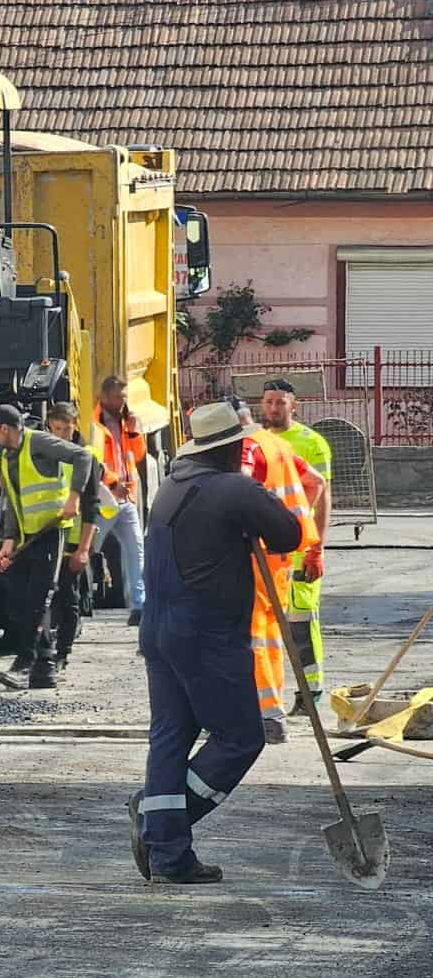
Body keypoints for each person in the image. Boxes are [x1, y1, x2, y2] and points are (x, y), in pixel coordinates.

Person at [131, 401, 302, 884]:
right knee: (240, 737)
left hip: (160, 632)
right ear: (235, 448)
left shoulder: (170, 486)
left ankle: (170, 856)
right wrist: (250, 504)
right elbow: (288, 534)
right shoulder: (234, 488)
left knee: (171, 735)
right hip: (205, 634)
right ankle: (159, 828)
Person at [228, 396, 324, 745]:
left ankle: (267, 715)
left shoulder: (248, 446)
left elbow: (238, 488)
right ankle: (271, 710)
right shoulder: (277, 444)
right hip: (280, 553)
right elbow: (315, 483)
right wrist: (291, 525)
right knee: (270, 631)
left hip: (256, 553)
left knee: (254, 634)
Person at [0, 403, 93, 691]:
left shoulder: (39, 441)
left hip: (51, 532)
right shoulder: (7, 456)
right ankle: (44, 671)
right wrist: (8, 542)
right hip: (25, 537)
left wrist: (74, 497)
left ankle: (23, 663)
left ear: (5, 428)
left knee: (38, 599)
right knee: (20, 602)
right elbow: (13, 503)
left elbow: (82, 457)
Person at [259, 378, 333, 711]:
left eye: (280, 402)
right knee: (267, 625)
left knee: (301, 623)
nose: (274, 408)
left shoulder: (312, 443)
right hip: (267, 550)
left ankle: (310, 693)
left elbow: (323, 498)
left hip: (301, 547)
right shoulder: (256, 442)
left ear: (294, 405)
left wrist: (316, 549)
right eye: (269, 402)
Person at [44, 400, 103, 671]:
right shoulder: (41, 453)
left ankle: (62, 654)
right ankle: (41, 650)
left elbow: (92, 507)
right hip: (45, 538)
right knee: (43, 597)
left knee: (68, 597)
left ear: (75, 427)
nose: (63, 435)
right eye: (58, 429)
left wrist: (84, 549)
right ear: (49, 427)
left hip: (73, 540)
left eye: (67, 430)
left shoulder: (86, 457)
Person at [92, 374, 147, 626]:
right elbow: (95, 461)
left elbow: (137, 456)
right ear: (104, 397)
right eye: (117, 396)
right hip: (104, 499)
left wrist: (135, 433)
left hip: (126, 500)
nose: (121, 401)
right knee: (87, 550)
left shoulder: (127, 423)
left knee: (136, 551)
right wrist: (113, 485)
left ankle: (140, 606)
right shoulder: (94, 424)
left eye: (124, 397)